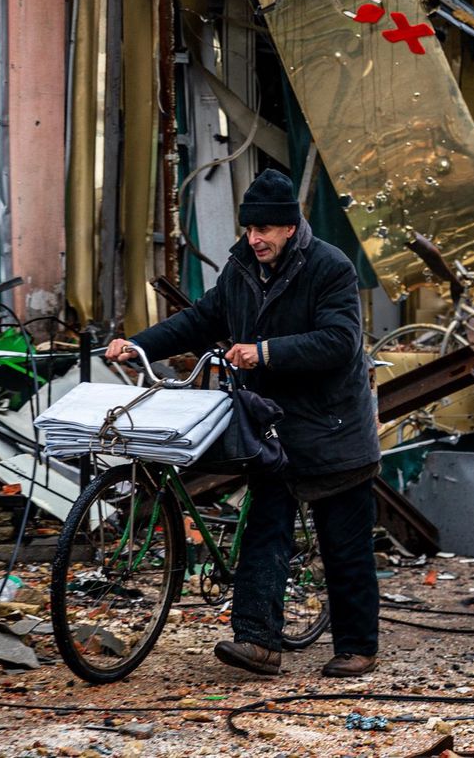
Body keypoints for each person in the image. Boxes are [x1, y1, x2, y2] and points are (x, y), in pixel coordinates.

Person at [104, 168, 381, 677]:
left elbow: (341, 341)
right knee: (265, 530)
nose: (254, 239)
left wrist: (266, 352)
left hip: (331, 426)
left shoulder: (330, 268)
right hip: (272, 426)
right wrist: (140, 343)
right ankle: (259, 642)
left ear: (290, 228)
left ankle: (357, 646)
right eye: (249, 229)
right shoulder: (241, 269)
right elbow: (201, 319)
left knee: (344, 543)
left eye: (265, 230)